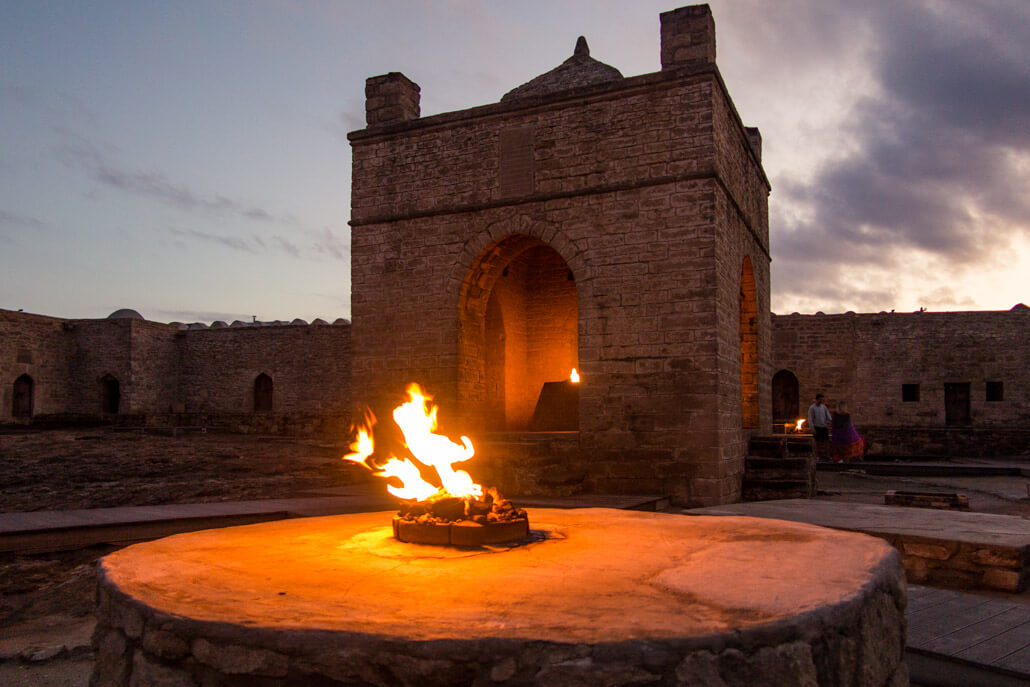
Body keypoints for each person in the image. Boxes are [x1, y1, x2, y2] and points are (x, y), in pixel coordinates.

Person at [807, 393, 832, 461]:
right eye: (820, 399)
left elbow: (828, 416)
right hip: (817, 427)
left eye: (822, 399)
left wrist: (832, 420)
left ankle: (828, 456)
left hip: (823, 426)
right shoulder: (812, 408)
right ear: (817, 400)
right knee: (817, 443)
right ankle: (817, 456)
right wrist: (812, 428)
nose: (822, 401)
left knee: (826, 442)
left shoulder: (823, 407)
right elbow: (810, 419)